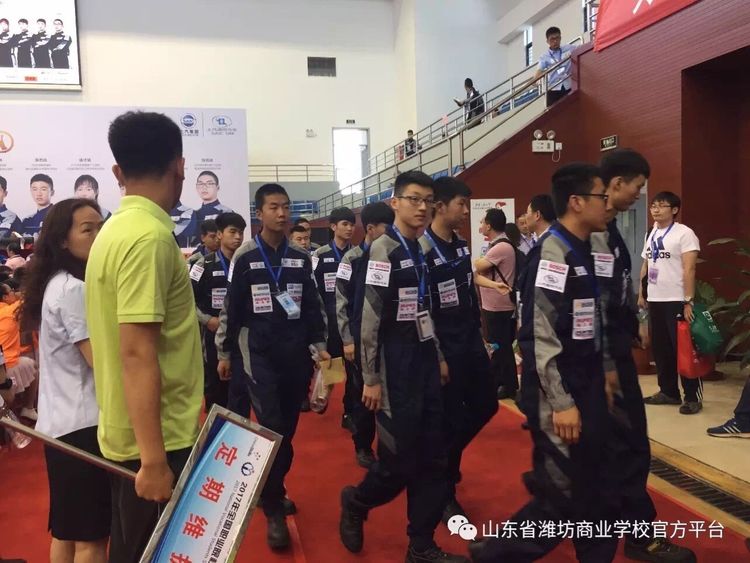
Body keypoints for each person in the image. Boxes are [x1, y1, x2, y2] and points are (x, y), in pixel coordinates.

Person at [472, 163, 618, 563]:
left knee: (595, 485)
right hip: (560, 389)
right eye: (601, 196)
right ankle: (496, 555)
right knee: (560, 494)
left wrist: (603, 373)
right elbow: (540, 334)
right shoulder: (551, 255)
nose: (608, 204)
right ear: (577, 202)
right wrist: (562, 401)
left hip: (586, 382)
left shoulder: (587, 246)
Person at [86, 111, 203, 562]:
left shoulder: (114, 230)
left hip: (132, 430)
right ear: (180, 167)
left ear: (118, 172)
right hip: (155, 440)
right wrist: (154, 460)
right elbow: (136, 353)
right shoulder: (149, 238)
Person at [339, 170, 467, 563]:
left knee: (434, 458)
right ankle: (357, 502)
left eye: (428, 200)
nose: (422, 207)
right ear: (395, 202)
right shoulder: (384, 250)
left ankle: (421, 545)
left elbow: (424, 308)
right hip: (394, 368)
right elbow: (370, 318)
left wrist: (438, 355)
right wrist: (371, 377)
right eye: (414, 199)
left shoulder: (421, 250)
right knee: (398, 461)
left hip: (424, 361)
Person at [215, 183, 329, 550]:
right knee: (272, 427)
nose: (282, 213)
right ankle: (274, 505)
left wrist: (320, 344)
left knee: (288, 432)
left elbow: (312, 304)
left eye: (286, 207)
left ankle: (271, 488)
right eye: (274, 207)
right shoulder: (245, 256)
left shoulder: (301, 257)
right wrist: (224, 352)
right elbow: (231, 308)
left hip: (295, 353)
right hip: (257, 353)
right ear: (259, 213)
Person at [596, 149, 695, 561]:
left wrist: (629, 322)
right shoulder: (579, 238)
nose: (644, 198)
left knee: (629, 451)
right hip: (597, 367)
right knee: (583, 472)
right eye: (639, 188)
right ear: (615, 184)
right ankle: (502, 548)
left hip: (617, 357)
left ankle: (639, 536)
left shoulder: (613, 231)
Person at [18, 198, 110, 563]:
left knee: (68, 533)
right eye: (87, 229)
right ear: (62, 240)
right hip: (83, 425)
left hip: (61, 424)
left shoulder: (56, 283)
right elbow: (99, 361)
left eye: (100, 227)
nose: (98, 235)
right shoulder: (74, 288)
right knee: (91, 538)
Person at [419, 176, 498, 524]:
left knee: (487, 404)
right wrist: (436, 355)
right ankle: (444, 488)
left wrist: (480, 337)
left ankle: (440, 461)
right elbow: (421, 309)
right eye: (461, 205)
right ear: (440, 206)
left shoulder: (463, 247)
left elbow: (467, 293)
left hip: (470, 342)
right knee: (449, 418)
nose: (466, 211)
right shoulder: (422, 249)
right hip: (444, 348)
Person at [336, 202, 393, 468]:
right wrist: (347, 339)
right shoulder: (352, 259)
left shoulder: (392, 255)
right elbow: (340, 301)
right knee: (363, 395)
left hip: (388, 338)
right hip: (359, 339)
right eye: (386, 229)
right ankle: (362, 445)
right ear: (371, 229)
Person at [638, 191, 701, 414]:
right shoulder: (652, 232)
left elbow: (689, 268)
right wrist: (642, 293)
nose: (655, 209)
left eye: (661, 206)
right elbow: (646, 264)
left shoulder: (684, 233)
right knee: (661, 349)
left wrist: (688, 301)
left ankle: (692, 397)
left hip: (676, 300)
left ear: (674, 210)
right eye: (653, 205)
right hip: (655, 299)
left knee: (683, 349)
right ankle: (668, 392)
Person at [190, 212, 249, 415]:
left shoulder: (246, 263)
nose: (238, 237)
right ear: (219, 234)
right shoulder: (202, 265)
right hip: (212, 334)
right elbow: (188, 300)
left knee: (241, 393)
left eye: (241, 232)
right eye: (233, 232)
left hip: (241, 334)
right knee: (216, 389)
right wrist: (207, 320)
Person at [313, 208, 358, 436]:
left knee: (354, 370)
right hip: (329, 320)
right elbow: (312, 288)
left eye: (352, 224)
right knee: (332, 364)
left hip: (351, 321)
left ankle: (349, 413)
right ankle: (323, 393)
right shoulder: (319, 255)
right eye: (344, 224)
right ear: (333, 227)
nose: (349, 228)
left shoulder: (358, 254)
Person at [473, 208, 518, 399]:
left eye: (483, 222)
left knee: (501, 347)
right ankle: (501, 382)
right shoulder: (496, 245)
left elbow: (478, 265)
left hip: (499, 306)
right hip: (494, 304)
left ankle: (508, 385)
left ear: (489, 225)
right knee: (497, 345)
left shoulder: (501, 246)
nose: (481, 225)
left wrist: (478, 261)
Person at [534, 26, 576, 107]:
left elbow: (582, 49)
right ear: (547, 41)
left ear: (560, 38)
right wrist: (535, 80)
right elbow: (539, 69)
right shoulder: (544, 56)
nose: (555, 41)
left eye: (557, 38)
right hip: (553, 89)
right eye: (552, 39)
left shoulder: (569, 48)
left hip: (568, 86)